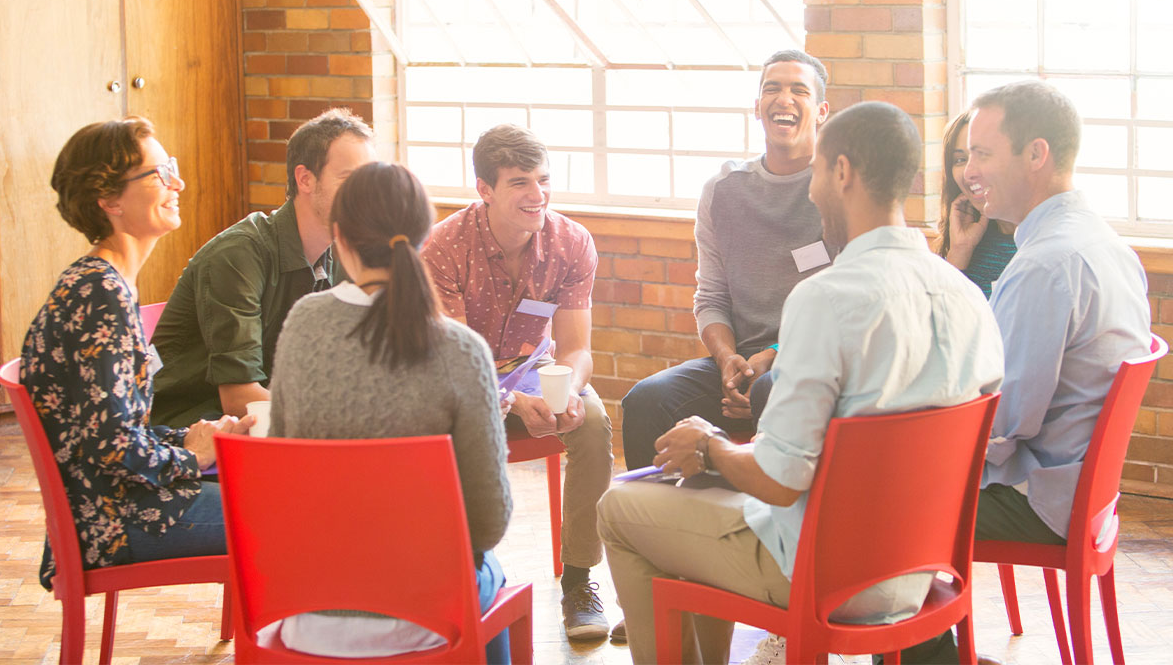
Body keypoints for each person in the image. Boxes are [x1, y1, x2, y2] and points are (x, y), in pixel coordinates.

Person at [596, 101, 1005, 665]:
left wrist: (709, 445)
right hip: (918, 571)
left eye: (815, 172)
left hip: (824, 573)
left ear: (841, 172)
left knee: (620, 509)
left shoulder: (825, 298)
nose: (812, 191)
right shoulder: (969, 297)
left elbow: (781, 482)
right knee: (697, 498)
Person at [900, 80, 1152, 663]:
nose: (970, 171)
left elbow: (1000, 426)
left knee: (881, 503)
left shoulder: (1045, 264)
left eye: (983, 154)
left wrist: (908, 426)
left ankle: (931, 656)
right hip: (1083, 491)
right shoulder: (1104, 244)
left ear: (1036, 155)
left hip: (1041, 496)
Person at [265, 162, 512, 661]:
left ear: (339, 237)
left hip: (309, 613)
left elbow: (281, 478)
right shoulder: (461, 350)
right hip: (426, 618)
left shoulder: (303, 325)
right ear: (425, 236)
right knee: (495, 574)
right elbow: (487, 525)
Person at [20, 117, 253, 590]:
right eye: (158, 173)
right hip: (115, 520)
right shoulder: (98, 293)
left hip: (123, 503)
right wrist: (191, 456)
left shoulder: (106, 283)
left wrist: (194, 436)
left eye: (172, 167)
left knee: (279, 491)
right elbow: (112, 447)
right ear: (109, 201)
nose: (177, 182)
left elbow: (117, 429)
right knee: (294, 516)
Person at [421, 124, 616, 640]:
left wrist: (569, 390)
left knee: (593, 424)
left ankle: (578, 581)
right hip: (462, 380)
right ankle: (464, 577)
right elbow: (455, 364)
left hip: (539, 371)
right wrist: (510, 400)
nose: (539, 195)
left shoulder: (572, 242)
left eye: (544, 180)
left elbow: (576, 348)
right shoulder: (443, 247)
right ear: (484, 189)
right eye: (520, 183)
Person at [619, 50, 835, 472]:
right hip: (740, 363)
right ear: (757, 108)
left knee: (770, 391)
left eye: (799, 90)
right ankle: (657, 527)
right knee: (646, 400)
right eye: (771, 89)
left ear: (821, 110)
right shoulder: (723, 191)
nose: (783, 99)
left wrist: (773, 354)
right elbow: (712, 296)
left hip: (811, 363)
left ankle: (766, 530)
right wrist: (727, 362)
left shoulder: (839, 189)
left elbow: (844, 308)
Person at [150, 108, 376, 427]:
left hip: (266, 426)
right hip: (191, 429)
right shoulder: (238, 256)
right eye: (350, 179)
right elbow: (240, 397)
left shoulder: (339, 253)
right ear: (305, 179)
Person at [935, 110, 1016, 297]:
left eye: (983, 156)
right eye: (960, 160)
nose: (969, 172)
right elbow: (940, 316)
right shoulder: (968, 235)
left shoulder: (1035, 241)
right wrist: (960, 249)